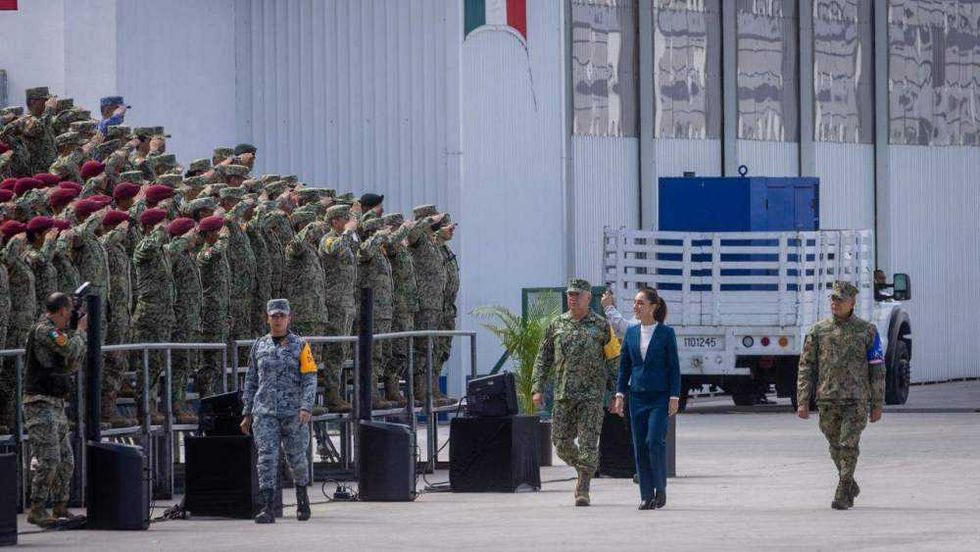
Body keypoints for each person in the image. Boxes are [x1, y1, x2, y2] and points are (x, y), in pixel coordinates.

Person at [797, 280, 885, 510]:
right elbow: (806, 366)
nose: (835, 303)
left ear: (852, 302)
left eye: (840, 299)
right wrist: (802, 400)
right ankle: (850, 483)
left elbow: (877, 369)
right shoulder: (818, 331)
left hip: (856, 399)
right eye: (833, 299)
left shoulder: (867, 331)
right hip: (827, 398)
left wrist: (877, 403)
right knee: (835, 446)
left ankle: (843, 491)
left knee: (848, 445)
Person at [531, 278, 614, 507]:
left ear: (588, 298)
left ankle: (583, 487)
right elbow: (543, 358)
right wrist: (537, 388)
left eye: (577, 295)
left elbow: (613, 360)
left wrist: (617, 394)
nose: (572, 298)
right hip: (564, 394)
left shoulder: (601, 326)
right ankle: (584, 468)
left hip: (591, 396)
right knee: (561, 444)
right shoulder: (556, 324)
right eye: (570, 294)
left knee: (588, 443)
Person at [240, 299, 316, 524]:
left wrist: (306, 406)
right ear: (268, 318)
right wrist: (247, 412)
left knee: (297, 458)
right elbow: (251, 380)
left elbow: (310, 378)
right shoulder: (259, 345)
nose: (278, 320)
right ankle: (267, 507)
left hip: (293, 413)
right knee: (266, 459)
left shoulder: (301, 345)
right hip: (264, 412)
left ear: (289, 318)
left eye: (282, 316)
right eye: (274, 316)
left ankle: (302, 501)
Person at [611, 288, 679, 510]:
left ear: (653, 306)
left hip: (659, 397)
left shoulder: (666, 333)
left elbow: (674, 367)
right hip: (637, 397)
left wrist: (674, 396)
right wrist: (620, 395)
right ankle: (646, 495)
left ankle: (660, 488)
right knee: (639, 445)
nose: (636, 306)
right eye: (635, 302)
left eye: (641, 302)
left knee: (654, 441)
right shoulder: (631, 333)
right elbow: (624, 367)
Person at [24, 292, 88, 527]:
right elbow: (69, 349)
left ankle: (60, 505)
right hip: (40, 404)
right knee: (49, 459)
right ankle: (37, 509)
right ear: (62, 310)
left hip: (55, 403)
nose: (71, 315)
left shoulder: (57, 332)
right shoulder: (45, 330)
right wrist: (80, 330)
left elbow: (73, 360)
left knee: (66, 460)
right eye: (70, 311)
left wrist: (77, 336)